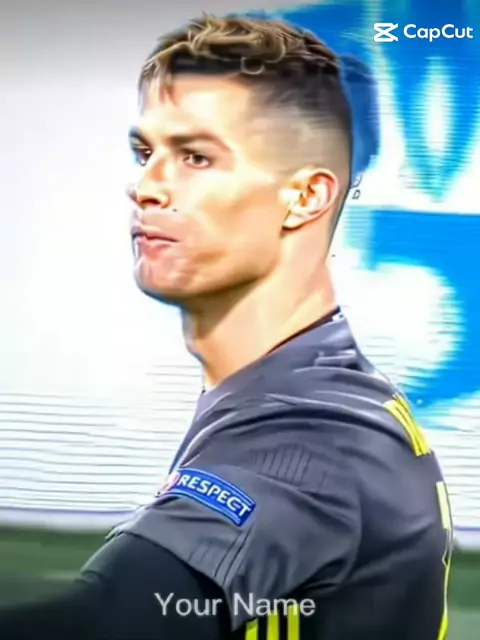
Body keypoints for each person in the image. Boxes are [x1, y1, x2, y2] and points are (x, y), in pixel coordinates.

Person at [0, 13, 453, 640]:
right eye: (145, 153)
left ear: (306, 197)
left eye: (195, 157)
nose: (145, 187)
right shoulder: (310, 390)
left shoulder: (311, 434)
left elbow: (108, 623)